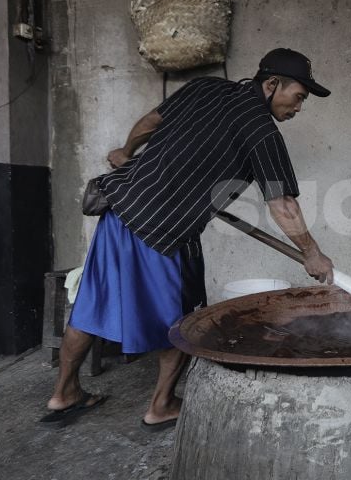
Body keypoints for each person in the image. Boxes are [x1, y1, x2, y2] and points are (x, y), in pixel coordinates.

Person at [40, 48, 334, 430]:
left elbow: (149, 122)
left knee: (93, 302)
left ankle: (63, 394)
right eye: (298, 97)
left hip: (120, 208)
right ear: (272, 84)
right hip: (165, 231)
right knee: (185, 318)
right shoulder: (263, 133)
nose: (298, 108)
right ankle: (160, 406)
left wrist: (125, 153)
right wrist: (312, 253)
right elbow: (281, 202)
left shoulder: (205, 88)